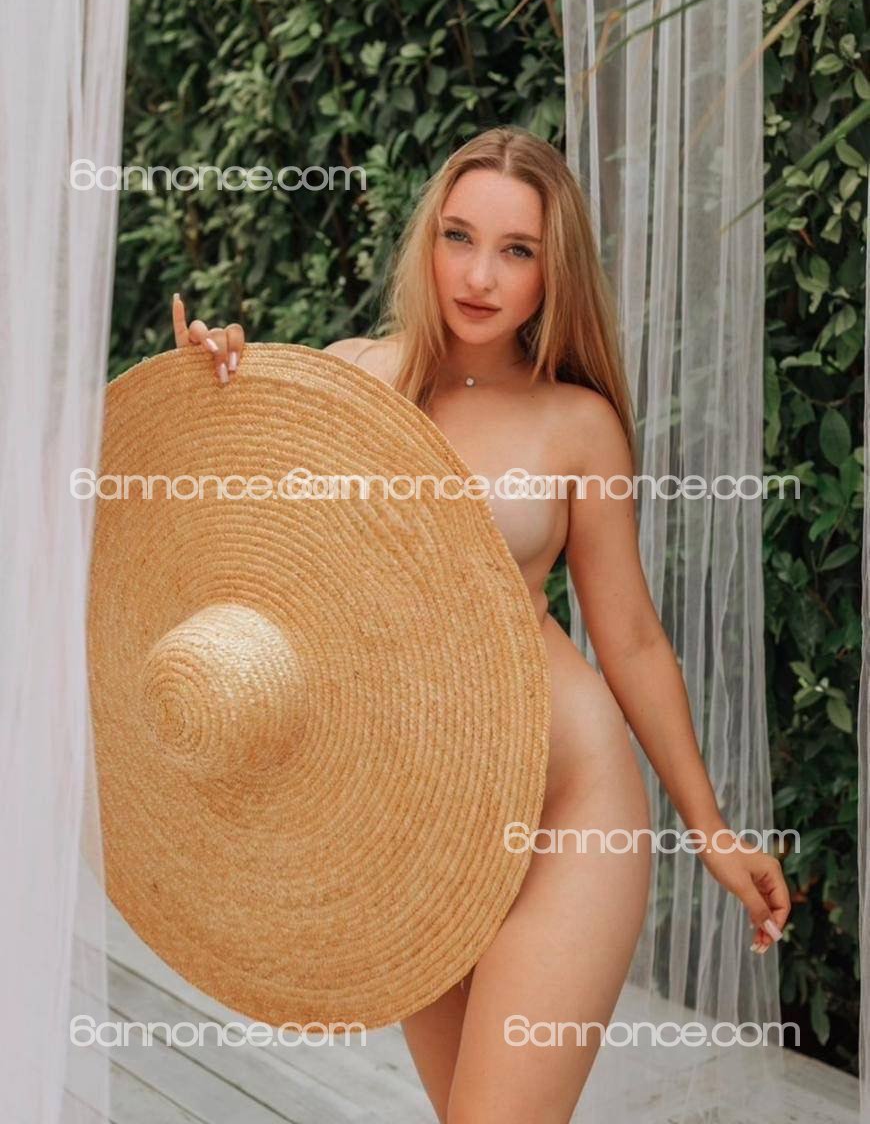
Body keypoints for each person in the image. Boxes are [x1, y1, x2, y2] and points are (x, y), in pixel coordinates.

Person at [170, 126, 791, 1124]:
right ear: (428, 239)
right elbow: (250, 559)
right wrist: (214, 397)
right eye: (459, 236)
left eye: (517, 250)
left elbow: (630, 637)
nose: (479, 275)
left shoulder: (577, 422)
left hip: (566, 810)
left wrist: (711, 830)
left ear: (554, 272)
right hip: (413, 820)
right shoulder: (350, 378)